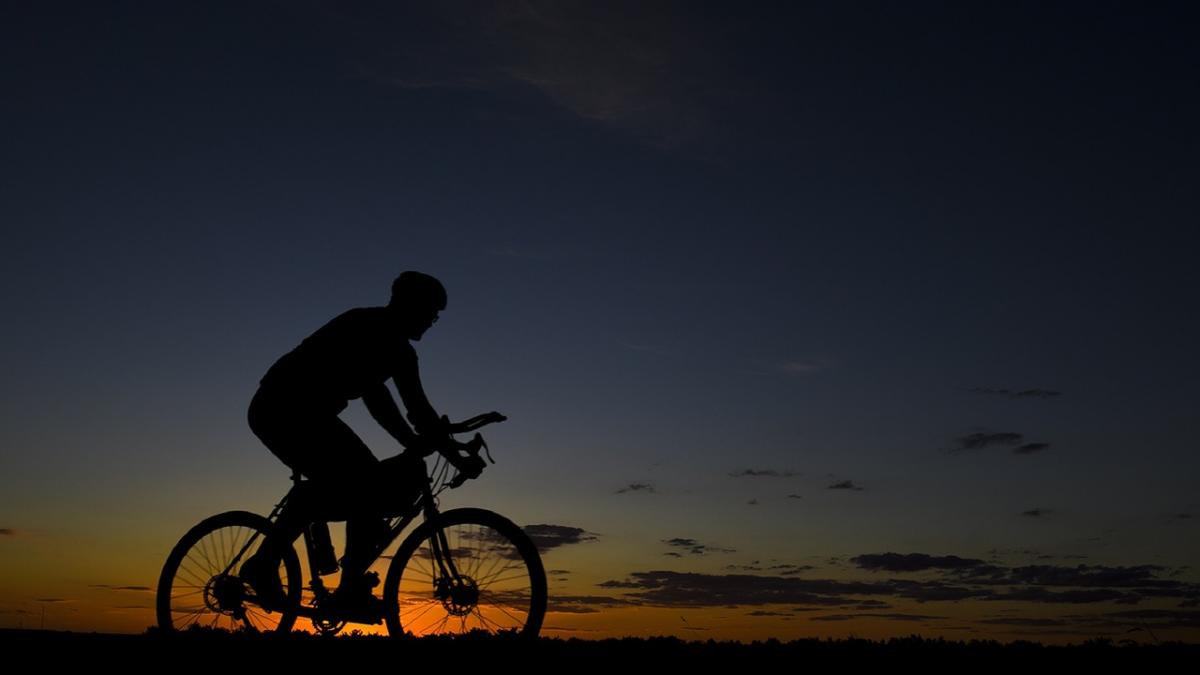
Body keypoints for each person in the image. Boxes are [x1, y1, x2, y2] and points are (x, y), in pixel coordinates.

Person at [240, 271, 485, 620]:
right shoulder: (366, 326)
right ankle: (279, 571)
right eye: (430, 312)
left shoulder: (401, 353)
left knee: (362, 484)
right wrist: (431, 448)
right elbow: (382, 401)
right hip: (281, 408)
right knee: (364, 483)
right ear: (407, 304)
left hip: (312, 415)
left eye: (436, 316)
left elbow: (415, 410)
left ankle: (337, 575)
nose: (432, 321)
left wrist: (439, 449)